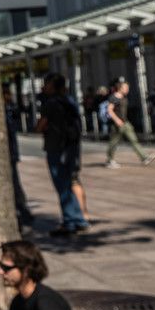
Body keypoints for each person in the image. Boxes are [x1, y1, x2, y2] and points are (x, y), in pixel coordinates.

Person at [35, 74, 89, 237]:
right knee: (70, 182)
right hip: (71, 147)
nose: (44, 87)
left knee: (63, 185)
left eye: (46, 84)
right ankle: (78, 219)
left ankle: (71, 221)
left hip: (56, 147)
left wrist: (42, 127)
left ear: (52, 86)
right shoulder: (69, 101)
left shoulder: (50, 103)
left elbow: (40, 126)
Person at [105, 78, 155, 168]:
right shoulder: (113, 97)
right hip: (116, 124)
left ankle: (144, 158)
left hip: (125, 123)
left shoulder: (124, 97)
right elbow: (109, 110)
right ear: (120, 88)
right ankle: (109, 160)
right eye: (126, 88)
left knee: (133, 140)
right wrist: (117, 120)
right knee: (114, 143)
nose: (127, 89)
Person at [4, 86, 33, 226]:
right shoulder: (7, 110)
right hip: (10, 154)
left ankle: (23, 214)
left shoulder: (7, 111)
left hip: (9, 155)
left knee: (14, 185)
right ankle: (23, 213)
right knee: (14, 185)